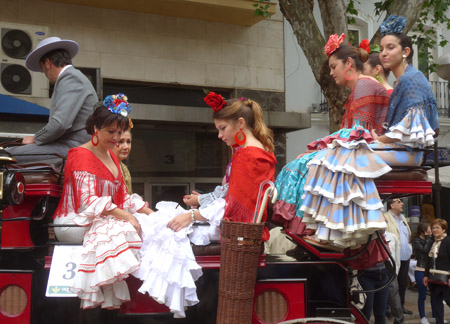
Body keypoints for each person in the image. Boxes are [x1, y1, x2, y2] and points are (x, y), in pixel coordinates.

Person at [134, 93, 277, 317]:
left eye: (222, 129)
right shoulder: (250, 151)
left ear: (240, 123)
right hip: (232, 227)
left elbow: (230, 205)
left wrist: (191, 216)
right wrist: (199, 207)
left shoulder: (249, 155)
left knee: (164, 229)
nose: (219, 136)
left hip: (234, 231)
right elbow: (229, 199)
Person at [274, 33, 390, 249]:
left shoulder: (364, 85)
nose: (330, 73)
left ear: (348, 63)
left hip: (366, 148)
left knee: (301, 165)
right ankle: (317, 227)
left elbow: (358, 132)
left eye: (333, 66)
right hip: (361, 146)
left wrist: (318, 149)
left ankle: (320, 229)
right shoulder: (360, 87)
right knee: (303, 163)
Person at [52, 93, 153, 309]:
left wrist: (150, 213)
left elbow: (124, 197)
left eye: (120, 132)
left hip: (102, 219)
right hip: (74, 222)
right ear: (95, 128)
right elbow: (88, 202)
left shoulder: (112, 156)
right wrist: (126, 215)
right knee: (119, 226)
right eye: (111, 132)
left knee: (141, 224)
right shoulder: (79, 155)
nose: (116, 139)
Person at [5, 37, 98, 163]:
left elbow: (60, 123)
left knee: (7, 154)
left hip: (73, 145)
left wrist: (35, 138)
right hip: (71, 144)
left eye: (43, 68)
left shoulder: (70, 78)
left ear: (48, 63)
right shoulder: (72, 77)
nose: (45, 74)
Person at [370, 15, 439, 166]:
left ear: (405, 52)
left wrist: (378, 140)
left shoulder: (411, 78)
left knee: (351, 156)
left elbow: (408, 125)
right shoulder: (402, 80)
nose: (384, 53)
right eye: (381, 49)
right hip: (398, 150)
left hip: (408, 153)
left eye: (390, 47)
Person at [384, 198, 413, 315]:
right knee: (390, 283)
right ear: (392, 205)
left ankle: (400, 306)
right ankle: (387, 308)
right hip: (392, 257)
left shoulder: (403, 218)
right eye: (399, 202)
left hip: (405, 256)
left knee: (402, 283)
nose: (402, 204)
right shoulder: (385, 217)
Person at [424, 219, 450, 324]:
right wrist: (425, 275)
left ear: (443, 230)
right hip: (433, 277)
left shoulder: (448, 241)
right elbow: (428, 260)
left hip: (445, 277)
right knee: (435, 303)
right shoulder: (432, 242)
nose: (434, 230)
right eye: (433, 228)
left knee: (448, 300)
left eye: (437, 228)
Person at [412, 222, 433, 324]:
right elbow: (425, 250)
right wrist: (428, 238)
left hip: (432, 270)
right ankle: (423, 317)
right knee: (422, 294)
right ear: (424, 230)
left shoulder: (430, 239)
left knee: (434, 294)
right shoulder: (416, 240)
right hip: (420, 269)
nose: (431, 230)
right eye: (429, 229)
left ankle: (435, 315)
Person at [112, 129, 133, 194]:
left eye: (128, 142)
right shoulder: (102, 167)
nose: (126, 147)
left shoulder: (124, 168)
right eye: (121, 142)